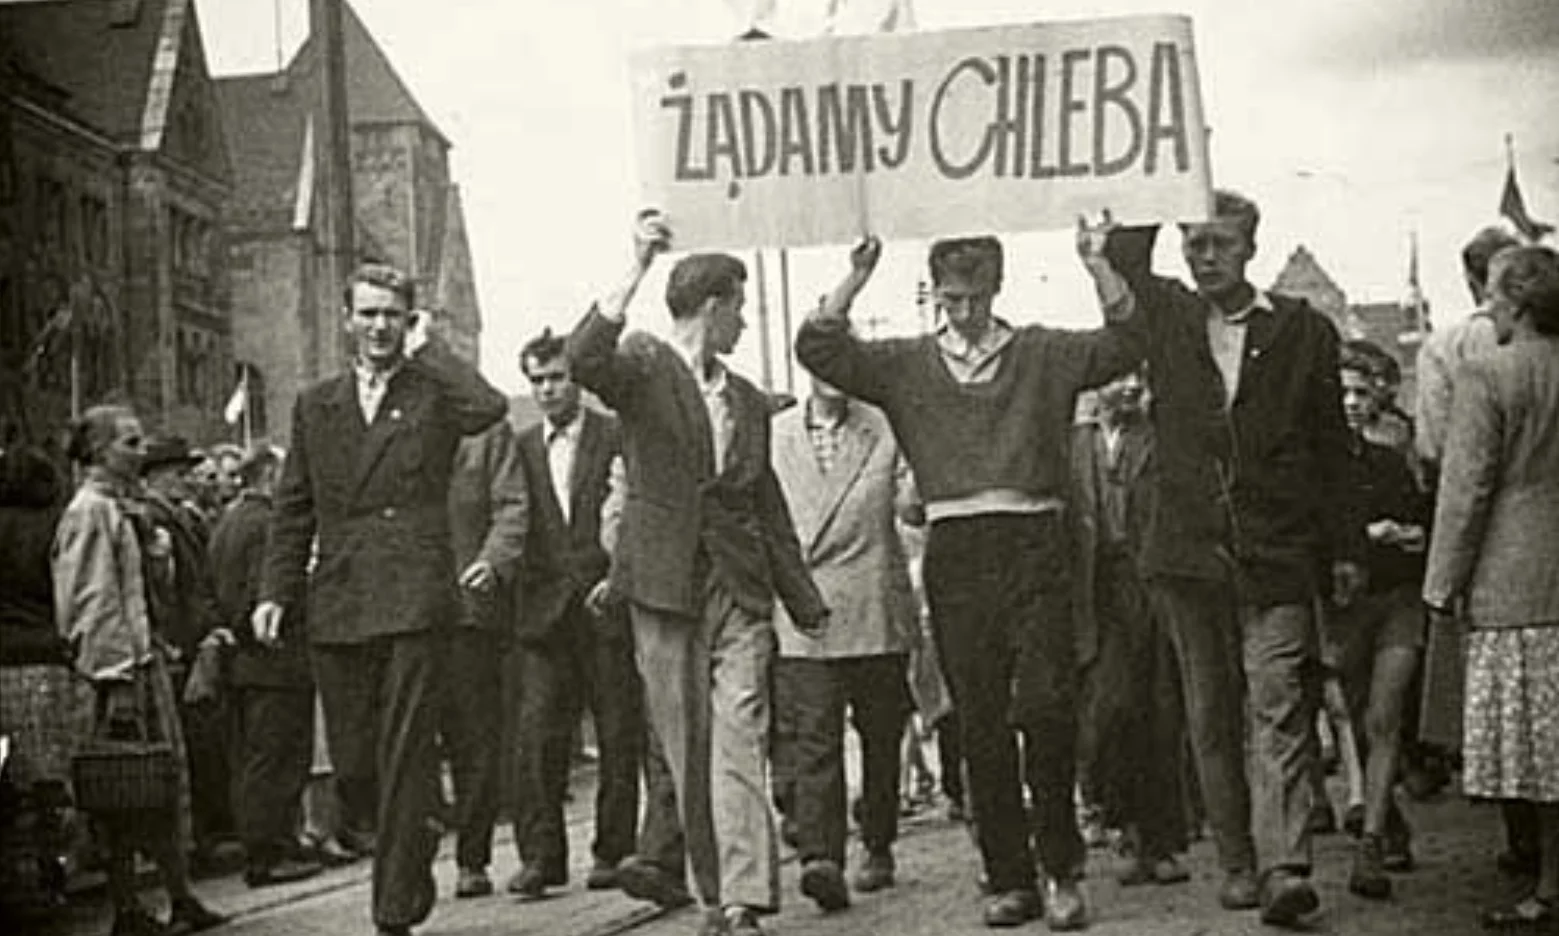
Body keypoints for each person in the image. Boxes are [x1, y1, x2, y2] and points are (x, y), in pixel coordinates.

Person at [795, 226, 1143, 930]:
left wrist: (1097, 263)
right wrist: (855, 276)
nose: (962, 313)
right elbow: (819, 348)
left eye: (975, 297)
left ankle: (1060, 869)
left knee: (1046, 708)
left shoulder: (1042, 351)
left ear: (996, 289)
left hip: (1034, 540)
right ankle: (1009, 877)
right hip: (956, 547)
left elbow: (1126, 343)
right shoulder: (906, 365)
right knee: (977, 720)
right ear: (935, 295)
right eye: (950, 299)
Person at [1090, 192, 1366, 928]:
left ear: (1248, 247)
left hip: (1275, 550)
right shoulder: (1169, 317)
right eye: (1192, 243)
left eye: (1217, 244)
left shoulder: (1300, 329)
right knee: (1209, 713)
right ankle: (1239, 863)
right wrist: (1161, 180)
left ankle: (1284, 866)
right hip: (1184, 554)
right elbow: (1122, 260)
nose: (1203, 257)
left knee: (1277, 705)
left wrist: (1343, 548)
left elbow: (1330, 444)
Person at [567, 213, 828, 936]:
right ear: (711, 307)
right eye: (738, 307)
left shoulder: (745, 397)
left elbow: (765, 502)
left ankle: (744, 897)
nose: (744, 322)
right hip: (662, 588)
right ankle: (715, 895)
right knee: (687, 748)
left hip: (737, 588)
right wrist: (638, 263)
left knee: (739, 733)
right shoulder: (644, 367)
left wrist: (801, 598)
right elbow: (585, 358)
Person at [253, 262, 509, 936]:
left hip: (414, 594)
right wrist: (275, 590)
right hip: (338, 594)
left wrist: (432, 350)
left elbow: (490, 406)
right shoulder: (317, 403)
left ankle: (392, 907)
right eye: (366, 313)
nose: (378, 327)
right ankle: (417, 826)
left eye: (391, 315)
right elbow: (293, 506)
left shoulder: (432, 392)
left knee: (403, 749)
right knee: (357, 760)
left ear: (408, 321)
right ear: (347, 320)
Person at [1423, 245, 1559, 933]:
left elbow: (1465, 490)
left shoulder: (1486, 373)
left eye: (1497, 296)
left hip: (1511, 575)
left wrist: (1441, 582)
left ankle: (1544, 887)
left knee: (1537, 752)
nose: (1490, 308)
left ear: (1516, 300)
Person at [53, 405, 226, 936]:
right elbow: (89, 602)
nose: (139, 451)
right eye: (129, 443)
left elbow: (135, 593)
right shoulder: (89, 513)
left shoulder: (123, 509)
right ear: (101, 452)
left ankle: (178, 897)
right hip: (118, 676)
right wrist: (117, 676)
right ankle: (128, 906)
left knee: (161, 785)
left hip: (143, 663)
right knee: (124, 791)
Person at [768, 375, 922, 909]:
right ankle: (821, 857)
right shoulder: (775, 433)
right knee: (813, 736)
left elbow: (911, 502)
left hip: (872, 604)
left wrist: (917, 494)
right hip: (803, 606)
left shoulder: (886, 424)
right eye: (818, 363)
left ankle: (878, 842)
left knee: (881, 735)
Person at [508, 329, 643, 899]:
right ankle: (542, 857)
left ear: (576, 379)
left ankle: (613, 849)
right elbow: (513, 519)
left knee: (617, 731)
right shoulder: (522, 447)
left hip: (603, 607)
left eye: (556, 378)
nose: (547, 390)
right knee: (537, 734)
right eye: (537, 381)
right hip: (542, 616)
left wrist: (619, 579)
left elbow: (635, 508)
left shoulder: (614, 434)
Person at [1068, 370, 1192, 888]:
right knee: (1110, 707)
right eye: (1117, 378)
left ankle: (1158, 841)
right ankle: (1117, 819)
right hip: (1095, 590)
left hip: (1153, 586)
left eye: (1138, 378)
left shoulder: (1159, 438)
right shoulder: (1073, 442)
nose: (1128, 387)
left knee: (1160, 709)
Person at [1323, 341, 1432, 899]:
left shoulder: (1390, 463)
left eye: (1361, 393)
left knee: (1384, 716)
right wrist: (1366, 537)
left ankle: (1369, 843)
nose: (1350, 402)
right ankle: (1386, 815)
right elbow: (1314, 541)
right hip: (1348, 608)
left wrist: (1412, 536)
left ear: (1376, 402)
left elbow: (1421, 526)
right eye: (1341, 392)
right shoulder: (1315, 472)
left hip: (1397, 601)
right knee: (1358, 713)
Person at [208, 445, 323, 888]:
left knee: (258, 758)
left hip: (247, 661)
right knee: (276, 759)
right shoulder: (268, 525)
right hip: (275, 659)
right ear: (271, 475)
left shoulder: (229, 522)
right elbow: (265, 592)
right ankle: (268, 853)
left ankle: (272, 847)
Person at [443, 384, 527, 899]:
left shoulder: (490, 435)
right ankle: (405, 847)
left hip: (469, 614)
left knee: (474, 740)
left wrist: (493, 560)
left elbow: (512, 506)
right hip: (399, 611)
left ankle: (471, 859)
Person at [0, 444, 87, 908]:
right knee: (48, 780)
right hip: (42, 661)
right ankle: (51, 877)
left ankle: (13, 879)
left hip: (1, 662)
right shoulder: (53, 526)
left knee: (7, 780)